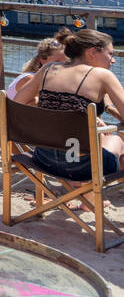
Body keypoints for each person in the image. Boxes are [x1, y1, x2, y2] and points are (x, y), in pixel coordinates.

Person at [14, 28, 124, 193]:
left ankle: (87, 197)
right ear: (92, 52)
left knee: (90, 142)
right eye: (110, 54)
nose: (113, 60)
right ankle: (94, 195)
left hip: (44, 160)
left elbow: (18, 103)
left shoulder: (48, 68)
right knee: (117, 141)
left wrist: (53, 109)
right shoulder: (103, 76)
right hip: (82, 167)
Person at [8, 29, 73, 102]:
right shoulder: (30, 79)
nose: (63, 66)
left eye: (66, 62)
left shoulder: (39, 78)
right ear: (43, 61)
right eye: (57, 62)